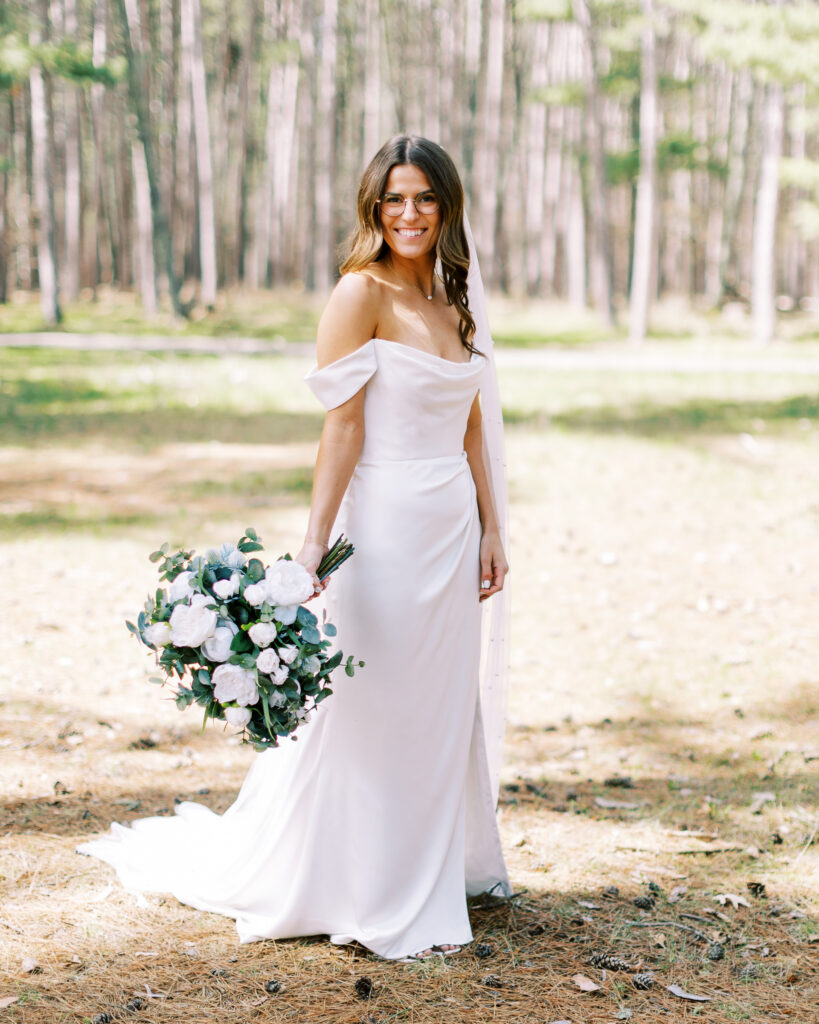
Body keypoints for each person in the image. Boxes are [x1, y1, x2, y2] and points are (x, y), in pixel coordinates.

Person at [78, 134, 512, 962]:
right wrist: (311, 552)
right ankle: (359, 881)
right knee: (372, 700)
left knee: (436, 703)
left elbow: (469, 420)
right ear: (372, 207)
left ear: (447, 205)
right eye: (393, 199)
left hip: (451, 531)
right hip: (383, 524)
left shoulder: (453, 298)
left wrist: (493, 526)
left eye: (423, 198)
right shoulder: (361, 293)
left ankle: (425, 865)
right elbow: (340, 428)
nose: (409, 214)